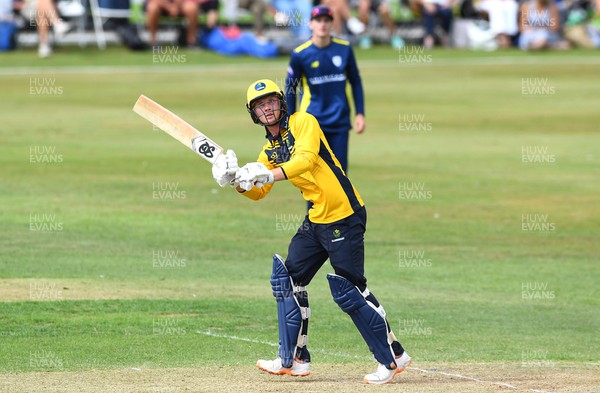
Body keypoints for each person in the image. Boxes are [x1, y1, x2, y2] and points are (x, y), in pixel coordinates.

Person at [210, 78, 412, 384]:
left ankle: (391, 357)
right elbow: (258, 192)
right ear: (254, 113)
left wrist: (265, 173)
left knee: (350, 290)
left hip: (344, 214)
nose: (268, 109)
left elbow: (304, 161)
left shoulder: (304, 122)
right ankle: (294, 360)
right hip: (317, 218)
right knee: (287, 279)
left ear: (282, 103)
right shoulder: (270, 149)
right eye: (260, 106)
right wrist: (237, 181)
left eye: (272, 102)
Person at [285, 6, 365, 174]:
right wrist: (291, 123)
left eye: (326, 20)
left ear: (332, 24)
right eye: (318, 20)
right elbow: (291, 89)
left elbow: (355, 81)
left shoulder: (344, 49)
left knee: (339, 174)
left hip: (339, 121)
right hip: (312, 123)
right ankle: (314, 203)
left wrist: (360, 113)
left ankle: (342, 202)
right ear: (311, 24)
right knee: (314, 174)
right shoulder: (300, 54)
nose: (322, 24)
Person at [146, 0, 218, 47]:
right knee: (152, 7)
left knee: (191, 8)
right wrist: (170, 8)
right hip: (163, 6)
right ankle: (153, 41)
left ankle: (191, 41)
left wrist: (176, 7)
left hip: (181, 6)